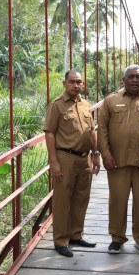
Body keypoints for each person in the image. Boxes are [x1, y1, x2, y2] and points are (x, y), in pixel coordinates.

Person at [98, 64, 139, 255]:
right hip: (117, 162)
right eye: (131, 77)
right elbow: (101, 129)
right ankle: (117, 238)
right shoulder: (111, 101)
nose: (135, 80)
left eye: (138, 77)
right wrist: (105, 154)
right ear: (124, 79)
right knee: (117, 201)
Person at [43, 70, 101, 257]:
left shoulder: (85, 104)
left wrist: (96, 154)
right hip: (65, 158)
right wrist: (54, 161)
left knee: (81, 198)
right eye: (72, 82)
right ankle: (61, 241)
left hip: (85, 158)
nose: (76, 85)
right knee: (63, 201)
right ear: (64, 83)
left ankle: (76, 235)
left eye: (79, 82)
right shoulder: (57, 105)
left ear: (82, 84)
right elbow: (49, 133)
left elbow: (92, 130)